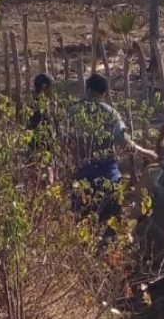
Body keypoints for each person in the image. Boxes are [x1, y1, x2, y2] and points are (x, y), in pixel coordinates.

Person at [65, 73, 158, 235]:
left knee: (80, 225)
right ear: (105, 93)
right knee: (109, 225)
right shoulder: (111, 114)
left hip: (81, 175)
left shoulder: (71, 112)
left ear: (87, 89)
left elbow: (63, 143)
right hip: (107, 175)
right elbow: (126, 143)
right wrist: (147, 153)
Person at [27, 73, 58, 186]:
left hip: (35, 147)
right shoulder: (40, 107)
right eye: (51, 88)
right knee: (45, 179)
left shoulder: (33, 103)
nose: (52, 92)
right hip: (41, 148)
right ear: (45, 88)